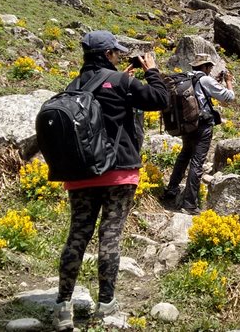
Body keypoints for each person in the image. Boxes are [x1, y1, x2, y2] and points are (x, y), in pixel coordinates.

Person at [53, 31, 168, 331]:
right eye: (116, 53)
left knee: (77, 234)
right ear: (107, 55)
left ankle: (63, 306)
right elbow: (160, 99)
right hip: (118, 172)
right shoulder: (121, 82)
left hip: (80, 175)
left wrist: (121, 81)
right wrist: (151, 70)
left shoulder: (73, 85)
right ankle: (105, 305)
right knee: (110, 235)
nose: (118, 56)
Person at [162, 53, 235, 214]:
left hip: (187, 124)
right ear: (205, 66)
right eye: (209, 66)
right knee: (197, 162)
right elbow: (229, 97)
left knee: (184, 156)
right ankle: (189, 204)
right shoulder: (205, 80)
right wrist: (228, 82)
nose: (210, 69)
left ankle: (171, 190)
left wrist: (214, 81)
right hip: (202, 126)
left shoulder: (186, 77)